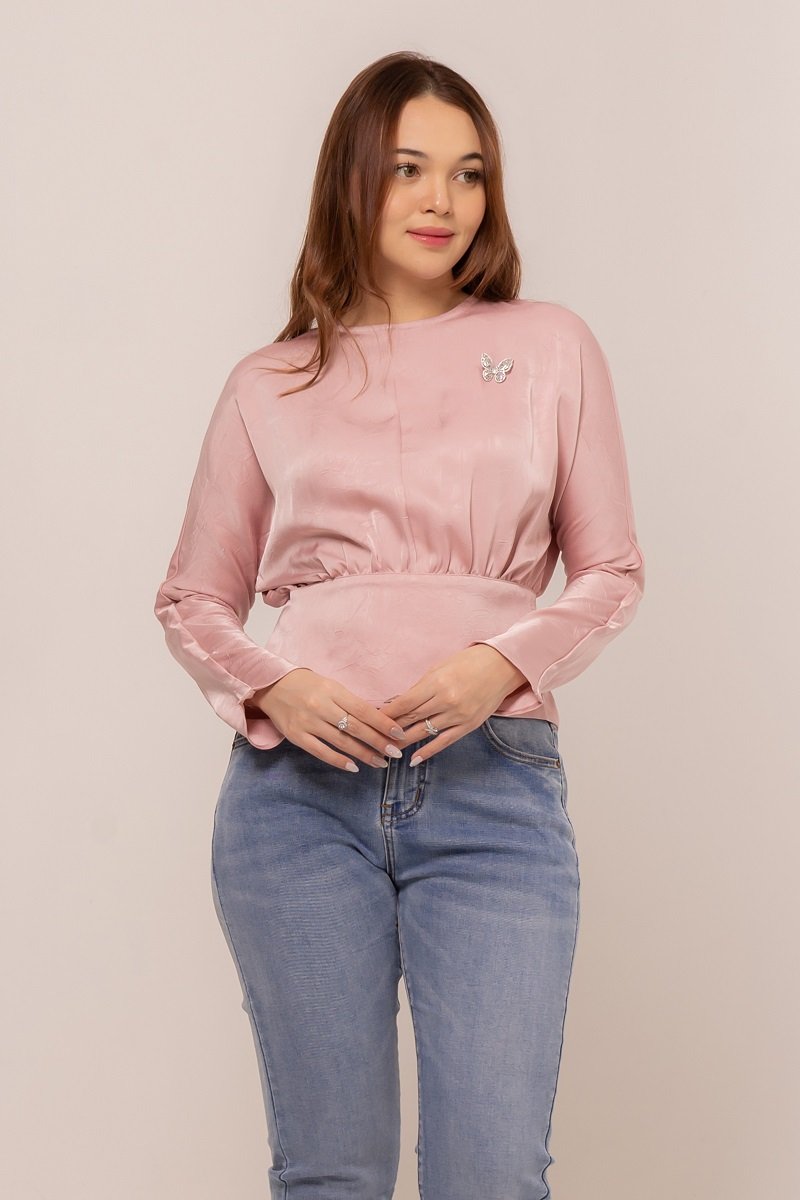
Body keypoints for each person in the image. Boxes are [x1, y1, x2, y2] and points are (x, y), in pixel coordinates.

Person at [153, 50, 645, 1200]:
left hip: (492, 793)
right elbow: (190, 598)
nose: (443, 200)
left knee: (491, 1174)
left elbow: (611, 570)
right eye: (410, 168)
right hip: (295, 806)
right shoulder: (269, 381)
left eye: (469, 173)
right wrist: (272, 685)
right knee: (329, 1173)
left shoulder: (548, 347)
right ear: (352, 179)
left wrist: (496, 665)